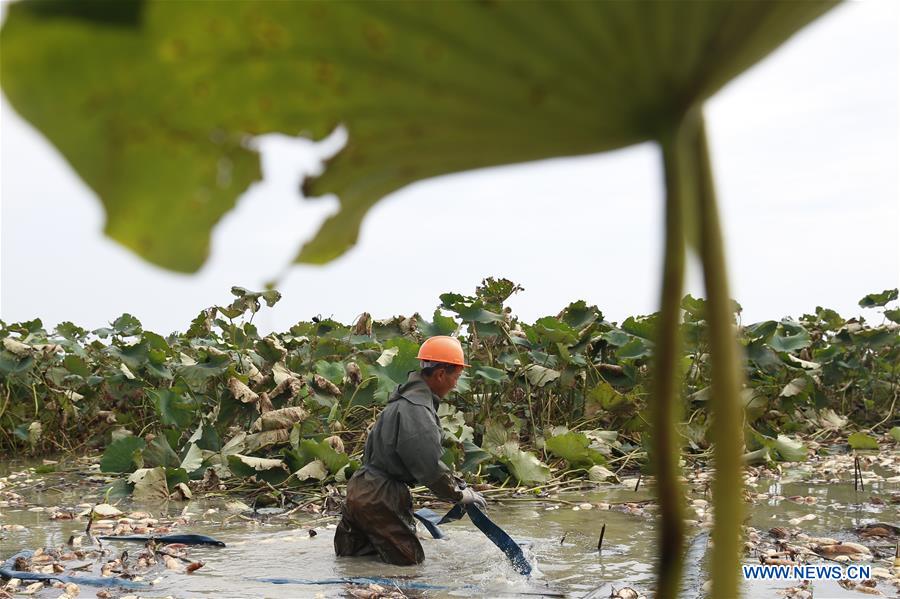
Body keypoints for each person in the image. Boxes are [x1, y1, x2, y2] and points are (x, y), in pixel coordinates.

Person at [333, 335, 486, 565]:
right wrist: (459, 495)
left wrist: (456, 483)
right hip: (381, 497)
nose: (456, 384)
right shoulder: (417, 410)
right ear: (441, 374)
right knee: (409, 569)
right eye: (456, 376)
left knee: (355, 567)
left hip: (359, 489)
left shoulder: (402, 400)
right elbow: (429, 467)